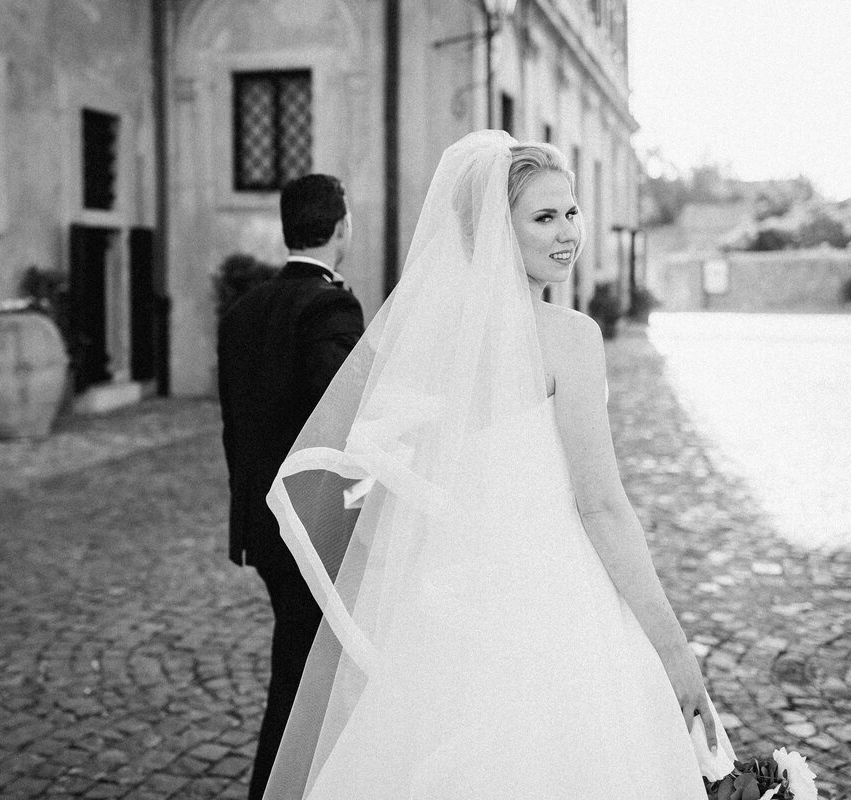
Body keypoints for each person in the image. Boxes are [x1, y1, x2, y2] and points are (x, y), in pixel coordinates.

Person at [261, 131, 738, 798]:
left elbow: (394, 480)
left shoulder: (428, 349)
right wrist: (674, 650)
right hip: (556, 599)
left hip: (450, 600)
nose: (567, 231)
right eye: (543, 217)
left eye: (571, 211)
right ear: (494, 230)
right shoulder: (570, 339)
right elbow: (599, 505)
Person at [217, 173, 365, 800]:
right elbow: (342, 413)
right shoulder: (330, 307)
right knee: (302, 676)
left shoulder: (244, 309)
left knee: (305, 664)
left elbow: (240, 422)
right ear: (339, 227)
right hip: (314, 526)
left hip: (261, 524)